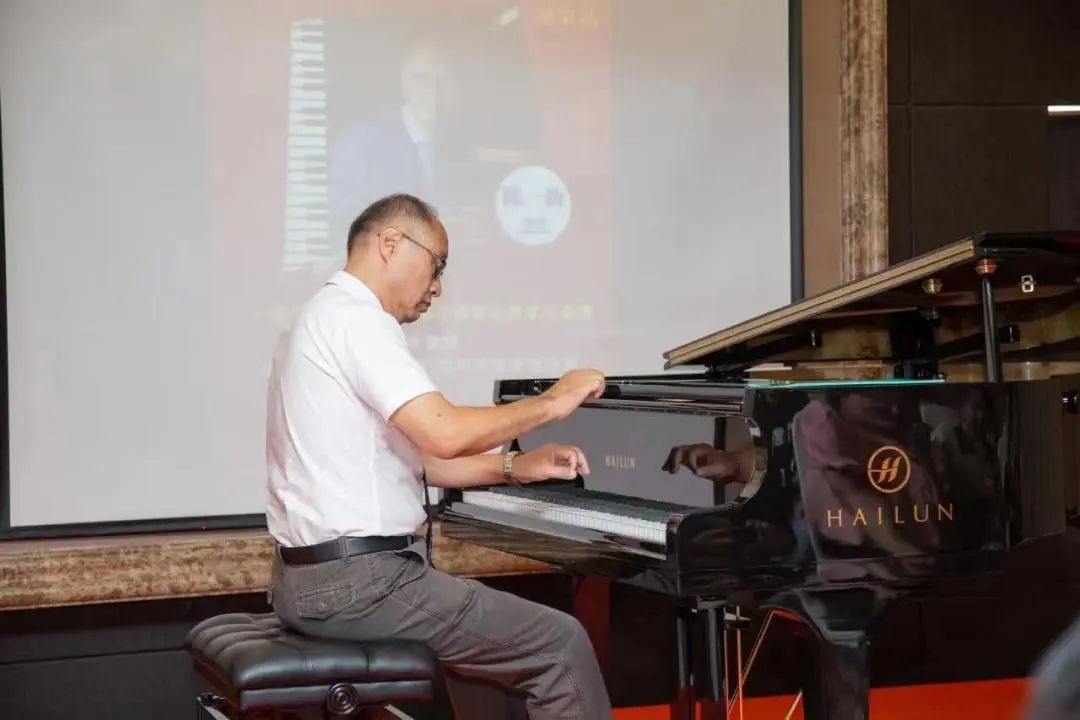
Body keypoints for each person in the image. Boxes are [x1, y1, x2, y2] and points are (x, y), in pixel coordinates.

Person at [265, 192, 613, 720]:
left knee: (486, 658)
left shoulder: (316, 317)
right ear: (390, 243)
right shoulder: (356, 319)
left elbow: (421, 461)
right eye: (437, 263)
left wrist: (513, 467)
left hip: (310, 584)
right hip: (360, 583)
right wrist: (552, 402)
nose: (437, 286)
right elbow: (444, 433)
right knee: (559, 644)